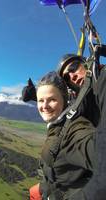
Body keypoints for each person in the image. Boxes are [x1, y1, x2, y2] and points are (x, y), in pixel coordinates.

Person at [31, 71, 95, 200]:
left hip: (62, 193)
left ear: (65, 100)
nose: (44, 106)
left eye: (52, 100)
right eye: (40, 100)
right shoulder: (59, 122)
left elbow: (95, 149)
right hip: (52, 185)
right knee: (33, 191)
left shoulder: (74, 130)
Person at [56, 52, 106, 200]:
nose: (71, 76)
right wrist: (34, 94)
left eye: (73, 67)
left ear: (86, 63)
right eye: (66, 78)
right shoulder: (86, 96)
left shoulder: (102, 80)